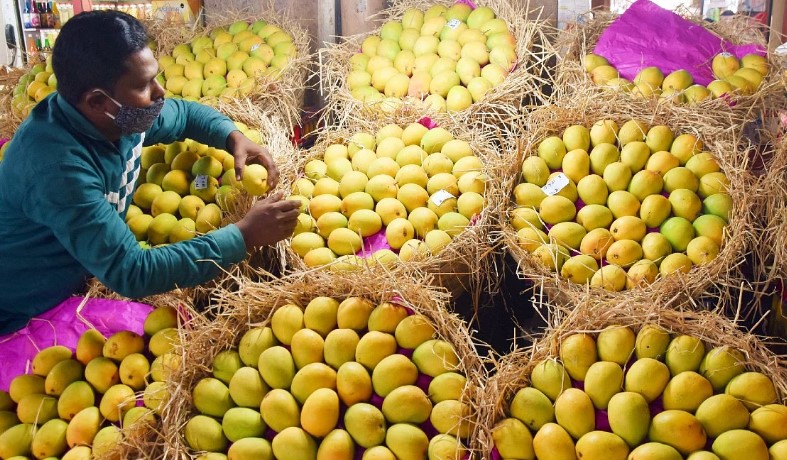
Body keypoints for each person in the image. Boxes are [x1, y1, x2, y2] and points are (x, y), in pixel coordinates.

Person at [0, 11, 301, 334]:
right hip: (20, 312)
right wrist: (245, 235)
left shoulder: (123, 116)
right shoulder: (58, 169)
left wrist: (231, 136)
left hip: (73, 278)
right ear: (98, 101)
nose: (160, 92)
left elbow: (183, 115)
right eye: (144, 85)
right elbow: (131, 271)